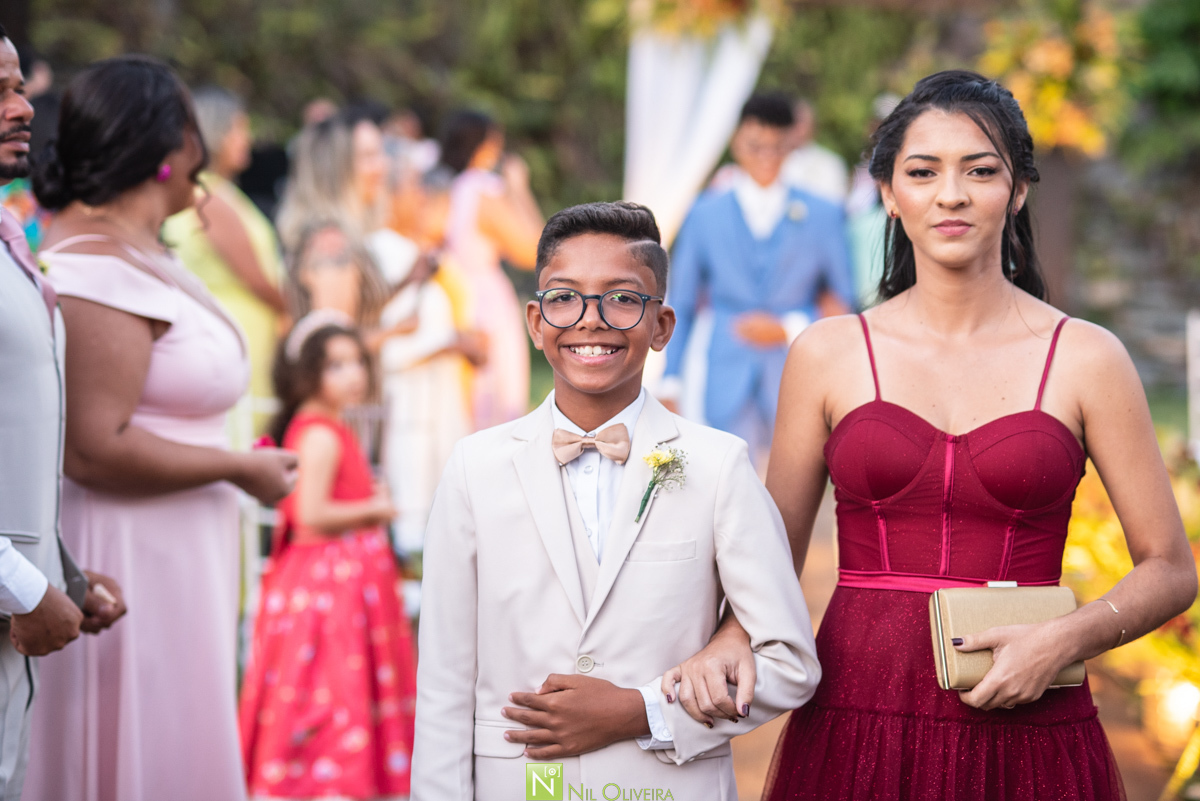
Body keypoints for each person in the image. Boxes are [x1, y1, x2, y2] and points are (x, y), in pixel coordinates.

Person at [662, 71, 1199, 801]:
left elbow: (1170, 566)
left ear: (1017, 191)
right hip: (856, 724)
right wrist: (730, 635)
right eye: (922, 172)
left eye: (980, 170)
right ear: (889, 193)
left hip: (1030, 726)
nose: (951, 194)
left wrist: (1064, 639)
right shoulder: (828, 352)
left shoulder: (1086, 356)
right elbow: (772, 553)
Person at [411, 201, 820, 800]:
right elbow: (445, 680)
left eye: (623, 299)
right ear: (535, 320)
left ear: (662, 326)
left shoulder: (716, 465)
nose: (591, 319)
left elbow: (788, 661)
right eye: (564, 297)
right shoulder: (475, 468)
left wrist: (642, 711)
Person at [24, 55, 297, 801]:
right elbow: (93, 446)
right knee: (137, 744)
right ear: (165, 146)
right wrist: (236, 468)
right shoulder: (92, 270)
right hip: (128, 550)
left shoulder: (142, 250)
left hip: (183, 547)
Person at [0, 28, 126, 801]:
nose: (23, 109)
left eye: (19, 88)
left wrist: (64, 575)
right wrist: (23, 587)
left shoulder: (12, 238)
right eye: (2, 91)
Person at [240, 316, 417, 800]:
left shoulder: (330, 425)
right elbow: (311, 515)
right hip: (326, 590)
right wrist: (375, 508)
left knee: (338, 690)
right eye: (336, 365)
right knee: (332, 692)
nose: (354, 374)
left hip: (339, 581)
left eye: (358, 361)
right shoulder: (318, 433)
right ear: (307, 374)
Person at [661, 93, 856, 464]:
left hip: (798, 375)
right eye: (756, 145)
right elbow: (681, 302)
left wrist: (788, 327)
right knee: (725, 489)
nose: (766, 155)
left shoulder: (824, 214)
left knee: (793, 496)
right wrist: (671, 380)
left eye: (777, 146)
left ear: (792, 145)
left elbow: (844, 302)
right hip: (723, 371)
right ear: (736, 142)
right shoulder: (704, 213)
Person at [163, 85, 288, 435]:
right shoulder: (211, 200)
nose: (245, 139)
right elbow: (258, 280)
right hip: (238, 332)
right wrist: (294, 304)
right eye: (239, 128)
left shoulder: (215, 193)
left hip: (241, 330)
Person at [439, 110, 544, 428]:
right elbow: (534, 251)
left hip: (455, 296)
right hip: (486, 299)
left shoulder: (449, 188)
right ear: (487, 146)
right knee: (498, 399)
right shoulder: (483, 189)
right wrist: (519, 188)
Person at [379, 251, 485, 557]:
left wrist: (460, 344)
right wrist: (443, 344)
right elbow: (389, 357)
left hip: (443, 404)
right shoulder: (397, 299)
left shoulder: (440, 291)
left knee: (449, 487)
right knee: (410, 493)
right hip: (408, 409)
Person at [780, 99, 848, 204]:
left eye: (801, 122)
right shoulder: (771, 160)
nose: (796, 127)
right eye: (791, 121)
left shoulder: (830, 163)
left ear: (813, 126)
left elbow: (835, 203)